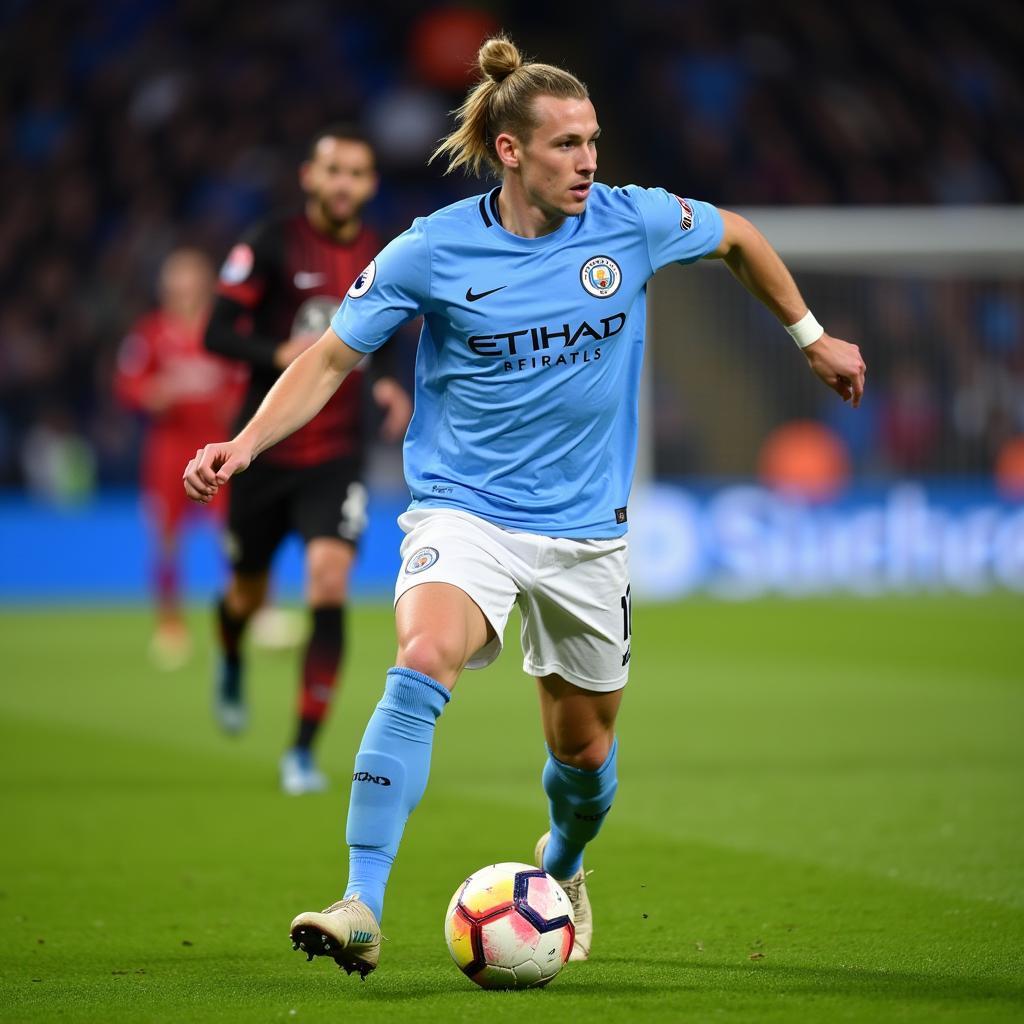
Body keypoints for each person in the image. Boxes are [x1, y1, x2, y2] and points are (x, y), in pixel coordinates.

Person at [183, 36, 865, 975]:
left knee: (583, 759)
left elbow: (740, 235)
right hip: (465, 514)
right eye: (565, 146)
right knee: (422, 656)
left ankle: (565, 863)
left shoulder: (631, 221)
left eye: (592, 141)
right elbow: (332, 356)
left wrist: (810, 337)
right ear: (510, 151)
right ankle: (361, 903)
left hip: (586, 536)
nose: (588, 161)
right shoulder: (431, 249)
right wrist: (245, 444)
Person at [203, 124, 412, 794]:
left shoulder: (384, 253)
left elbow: (390, 334)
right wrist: (280, 356)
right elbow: (216, 331)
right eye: (334, 171)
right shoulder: (269, 243)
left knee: (328, 583)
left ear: (370, 184)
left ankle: (301, 751)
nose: (345, 183)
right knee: (247, 594)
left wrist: (385, 380)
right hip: (262, 451)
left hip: (336, 456)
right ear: (310, 178)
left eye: (357, 173)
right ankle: (231, 652)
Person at [114, 248, 241, 669]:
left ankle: (246, 614)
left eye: (191, 280)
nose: (183, 289)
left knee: (235, 532)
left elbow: (243, 378)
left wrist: (235, 408)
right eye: (176, 281)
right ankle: (170, 625)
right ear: (166, 286)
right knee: (166, 538)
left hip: (216, 447)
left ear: (204, 283)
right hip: (168, 449)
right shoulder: (149, 333)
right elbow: (127, 381)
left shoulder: (222, 330)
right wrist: (148, 394)